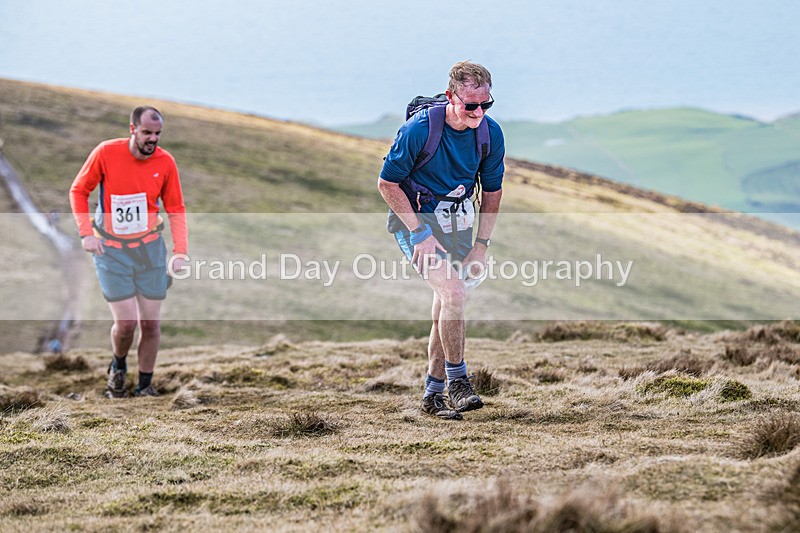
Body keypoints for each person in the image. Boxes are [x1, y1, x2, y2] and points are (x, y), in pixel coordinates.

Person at [378, 61, 505, 420]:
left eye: (486, 104)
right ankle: (459, 381)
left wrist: (481, 245)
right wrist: (420, 234)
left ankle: (432, 395)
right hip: (416, 223)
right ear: (451, 97)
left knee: (444, 304)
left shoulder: (490, 134)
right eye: (470, 105)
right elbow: (387, 184)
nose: (478, 112)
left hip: (459, 224)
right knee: (454, 294)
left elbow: (493, 192)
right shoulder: (419, 130)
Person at [69, 106, 188, 398]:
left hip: (149, 251)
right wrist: (86, 234)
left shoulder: (165, 162)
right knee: (126, 325)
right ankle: (118, 367)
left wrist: (180, 251)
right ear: (132, 129)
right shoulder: (106, 153)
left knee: (150, 324)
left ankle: (145, 385)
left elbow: (176, 208)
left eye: (157, 134)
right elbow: (78, 190)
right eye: (147, 132)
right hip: (112, 252)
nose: (153, 139)